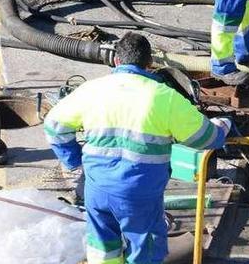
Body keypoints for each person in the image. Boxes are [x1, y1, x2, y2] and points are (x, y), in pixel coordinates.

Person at [44, 32, 232, 264]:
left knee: (103, 248)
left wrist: (73, 161)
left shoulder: (91, 90)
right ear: (149, 63)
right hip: (139, 195)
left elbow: (54, 126)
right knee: (145, 250)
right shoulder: (164, 97)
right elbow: (206, 139)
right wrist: (222, 127)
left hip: (96, 188)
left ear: (116, 61)